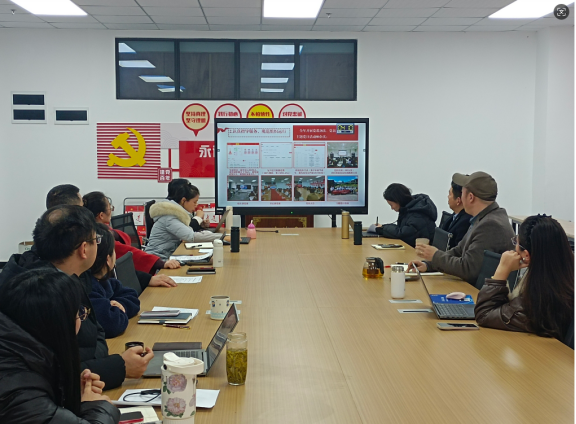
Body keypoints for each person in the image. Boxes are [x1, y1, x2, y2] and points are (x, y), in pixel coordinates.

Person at [0, 205, 153, 390]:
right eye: (96, 240)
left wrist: (95, 362)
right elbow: (47, 375)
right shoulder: (36, 294)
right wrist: (119, 367)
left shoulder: (72, 275)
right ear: (84, 249)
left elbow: (96, 336)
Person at [0, 269, 120, 424]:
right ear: (59, 323)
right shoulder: (18, 390)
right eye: (79, 313)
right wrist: (96, 407)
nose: (81, 320)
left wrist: (68, 393)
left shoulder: (19, 351)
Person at [475, 215, 574, 346]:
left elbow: (484, 314)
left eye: (516, 242)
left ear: (526, 255)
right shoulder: (562, 277)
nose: (514, 247)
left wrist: (502, 270)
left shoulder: (537, 298)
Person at [411, 172, 515, 286]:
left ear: (470, 197)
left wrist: (436, 256)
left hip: (478, 293)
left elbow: (468, 269)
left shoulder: (490, 225)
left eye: (462, 192)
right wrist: (428, 265)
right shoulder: (483, 218)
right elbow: (459, 251)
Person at [83, 191, 178, 289]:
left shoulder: (99, 232)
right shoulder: (101, 239)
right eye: (110, 208)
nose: (111, 210)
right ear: (101, 215)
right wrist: (160, 263)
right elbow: (129, 252)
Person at [145, 181, 228, 260]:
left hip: (167, 256)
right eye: (194, 202)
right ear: (183, 200)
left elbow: (189, 231)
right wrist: (223, 237)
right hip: (158, 260)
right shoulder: (169, 217)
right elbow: (192, 236)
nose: (196, 205)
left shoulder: (176, 214)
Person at [89, 224, 140, 339]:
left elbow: (132, 296)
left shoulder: (105, 281)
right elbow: (112, 324)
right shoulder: (89, 287)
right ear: (108, 259)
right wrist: (117, 310)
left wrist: (120, 305)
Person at [441, 180, 472, 249]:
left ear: (458, 200)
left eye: (450, 194)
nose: (448, 197)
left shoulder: (465, 222)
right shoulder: (454, 216)